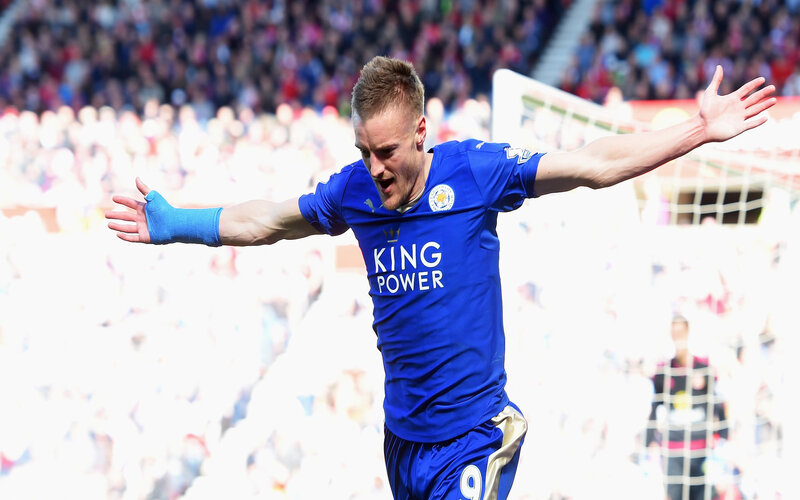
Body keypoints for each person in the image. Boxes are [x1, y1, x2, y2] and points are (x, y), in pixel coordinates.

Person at [105, 56, 775, 499]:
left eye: (387, 152)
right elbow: (269, 220)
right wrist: (177, 223)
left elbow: (592, 164)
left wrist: (696, 131)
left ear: (421, 131)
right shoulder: (354, 192)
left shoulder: (475, 173)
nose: (375, 168)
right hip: (404, 442)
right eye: (364, 152)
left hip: (473, 436)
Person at [646, 315, 730, 500]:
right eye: (674, 334)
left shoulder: (703, 369)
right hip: (673, 449)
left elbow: (718, 403)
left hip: (700, 448)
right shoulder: (664, 372)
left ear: (688, 334)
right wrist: (649, 440)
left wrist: (723, 436)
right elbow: (655, 406)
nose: (678, 338)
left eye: (681, 333)